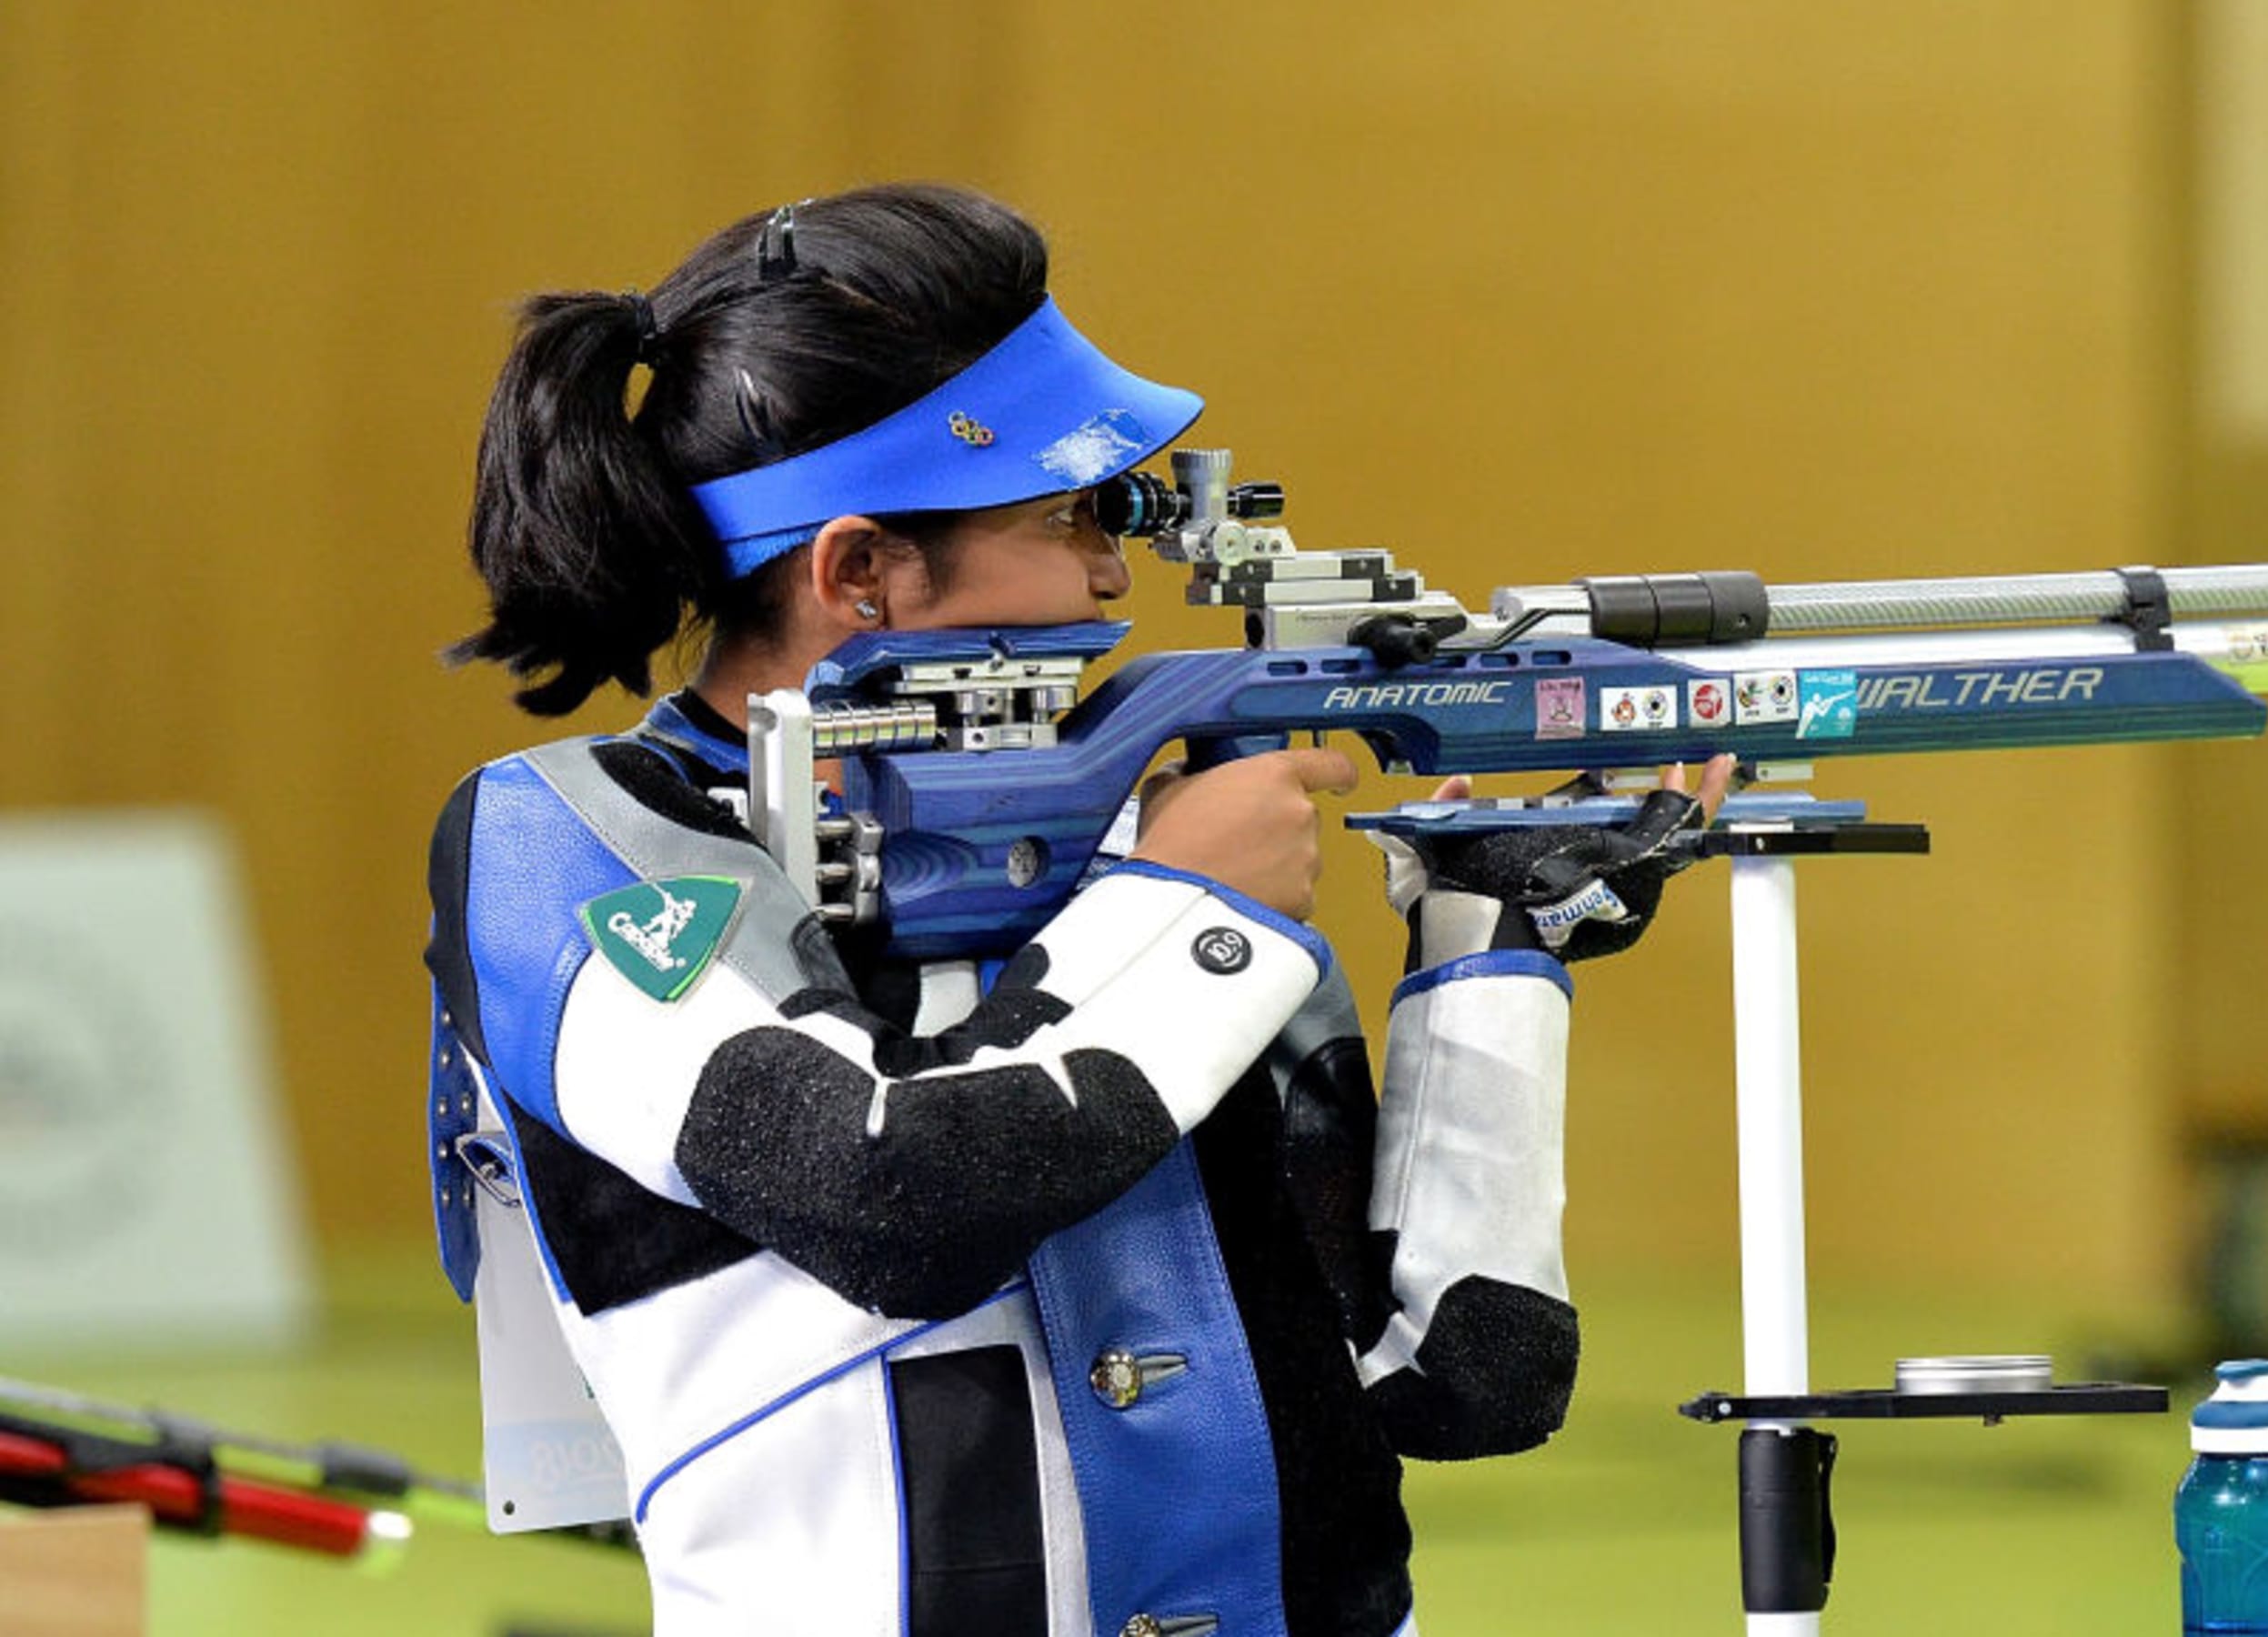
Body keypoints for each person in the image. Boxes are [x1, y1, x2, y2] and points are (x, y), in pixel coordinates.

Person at [426, 183, 1730, 1637]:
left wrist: (1495, 940)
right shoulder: (573, 841)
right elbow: (888, 1198)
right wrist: (1189, 911)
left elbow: (1461, 1376)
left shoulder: (1117, 837)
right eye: (1075, 514)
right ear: (859, 567)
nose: (1119, 571)